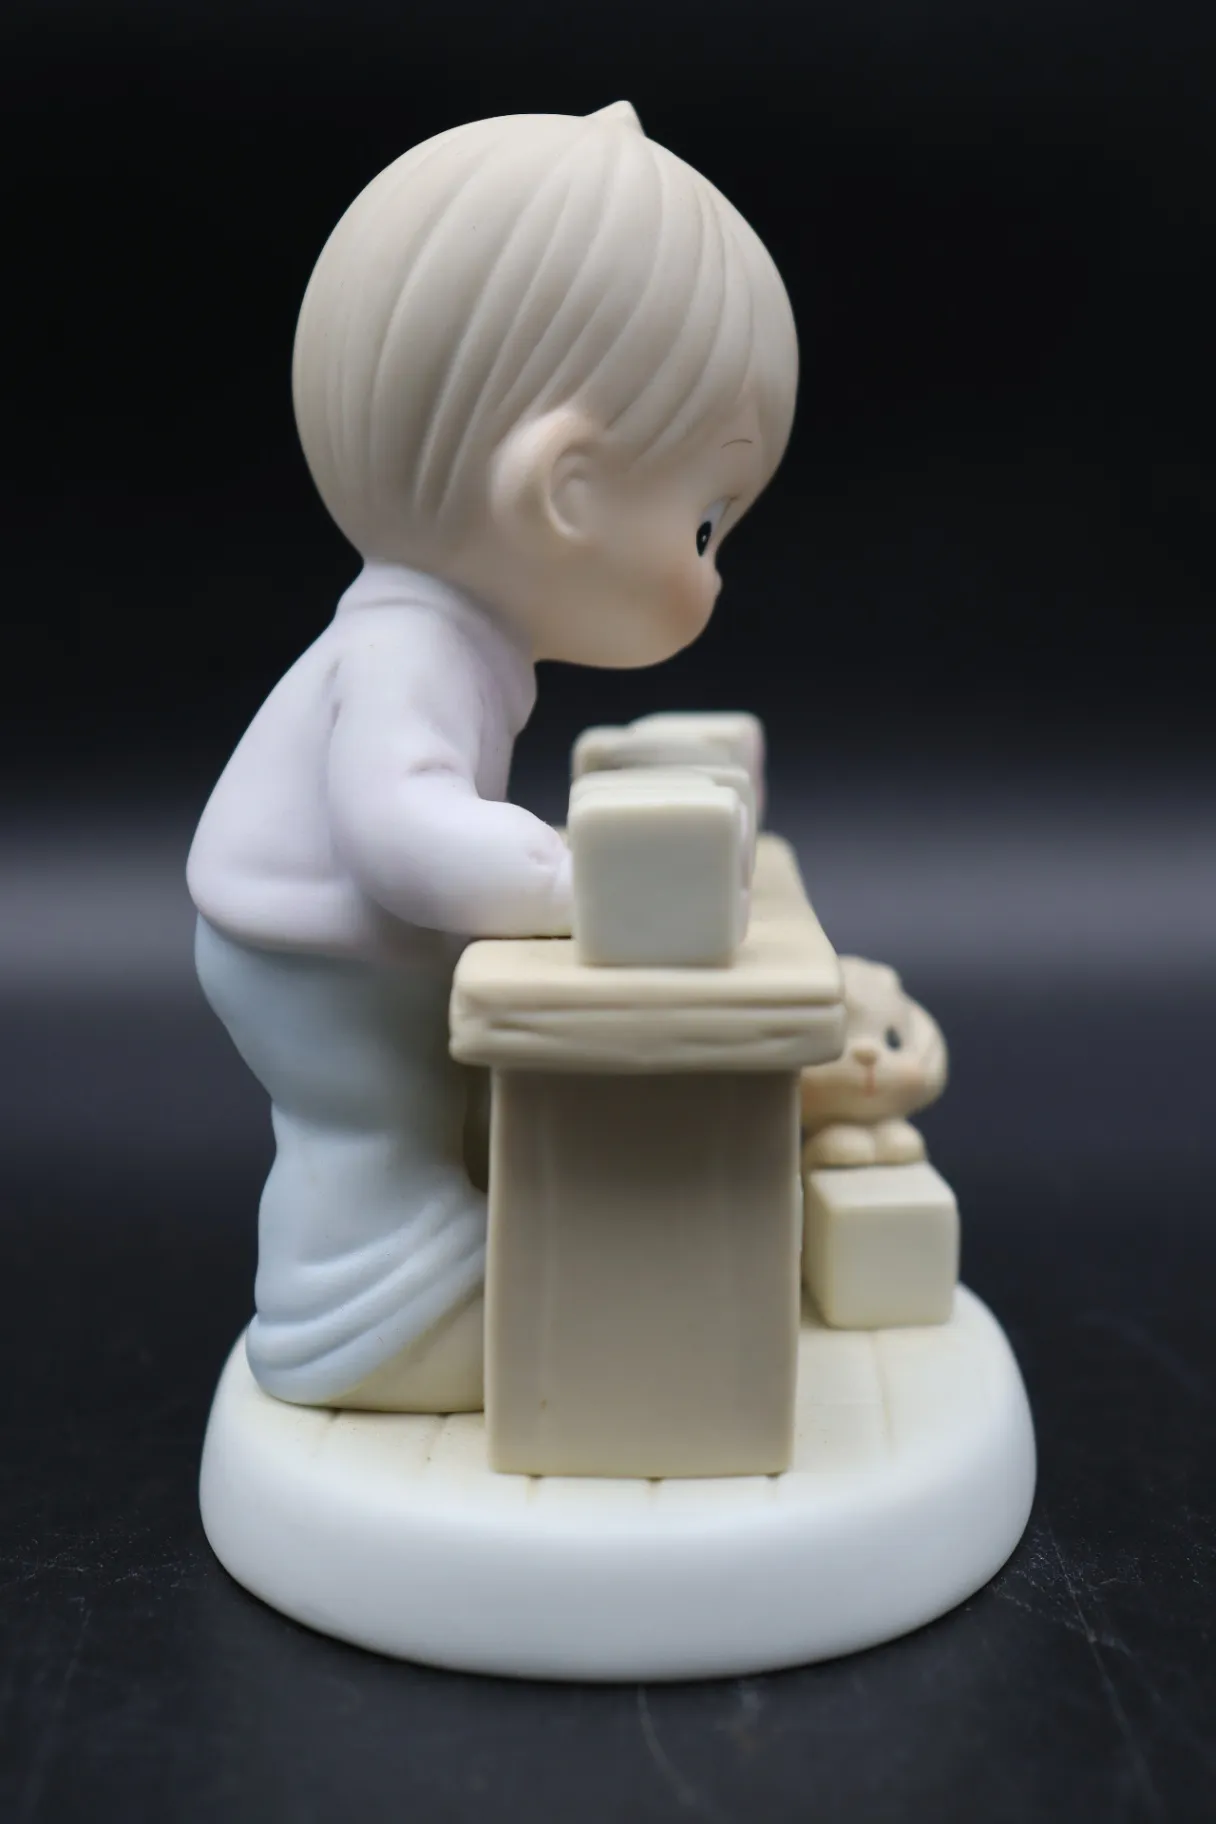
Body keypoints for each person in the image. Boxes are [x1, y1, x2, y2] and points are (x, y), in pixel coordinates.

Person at [187, 100, 798, 1411]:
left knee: (433, 1111)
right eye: (706, 524)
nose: (713, 572)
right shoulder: (409, 649)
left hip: (335, 945)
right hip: (314, 958)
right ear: (565, 492)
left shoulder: (442, 634)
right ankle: (353, 1330)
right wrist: (575, 880)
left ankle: (451, 1253)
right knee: (369, 1133)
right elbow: (400, 831)